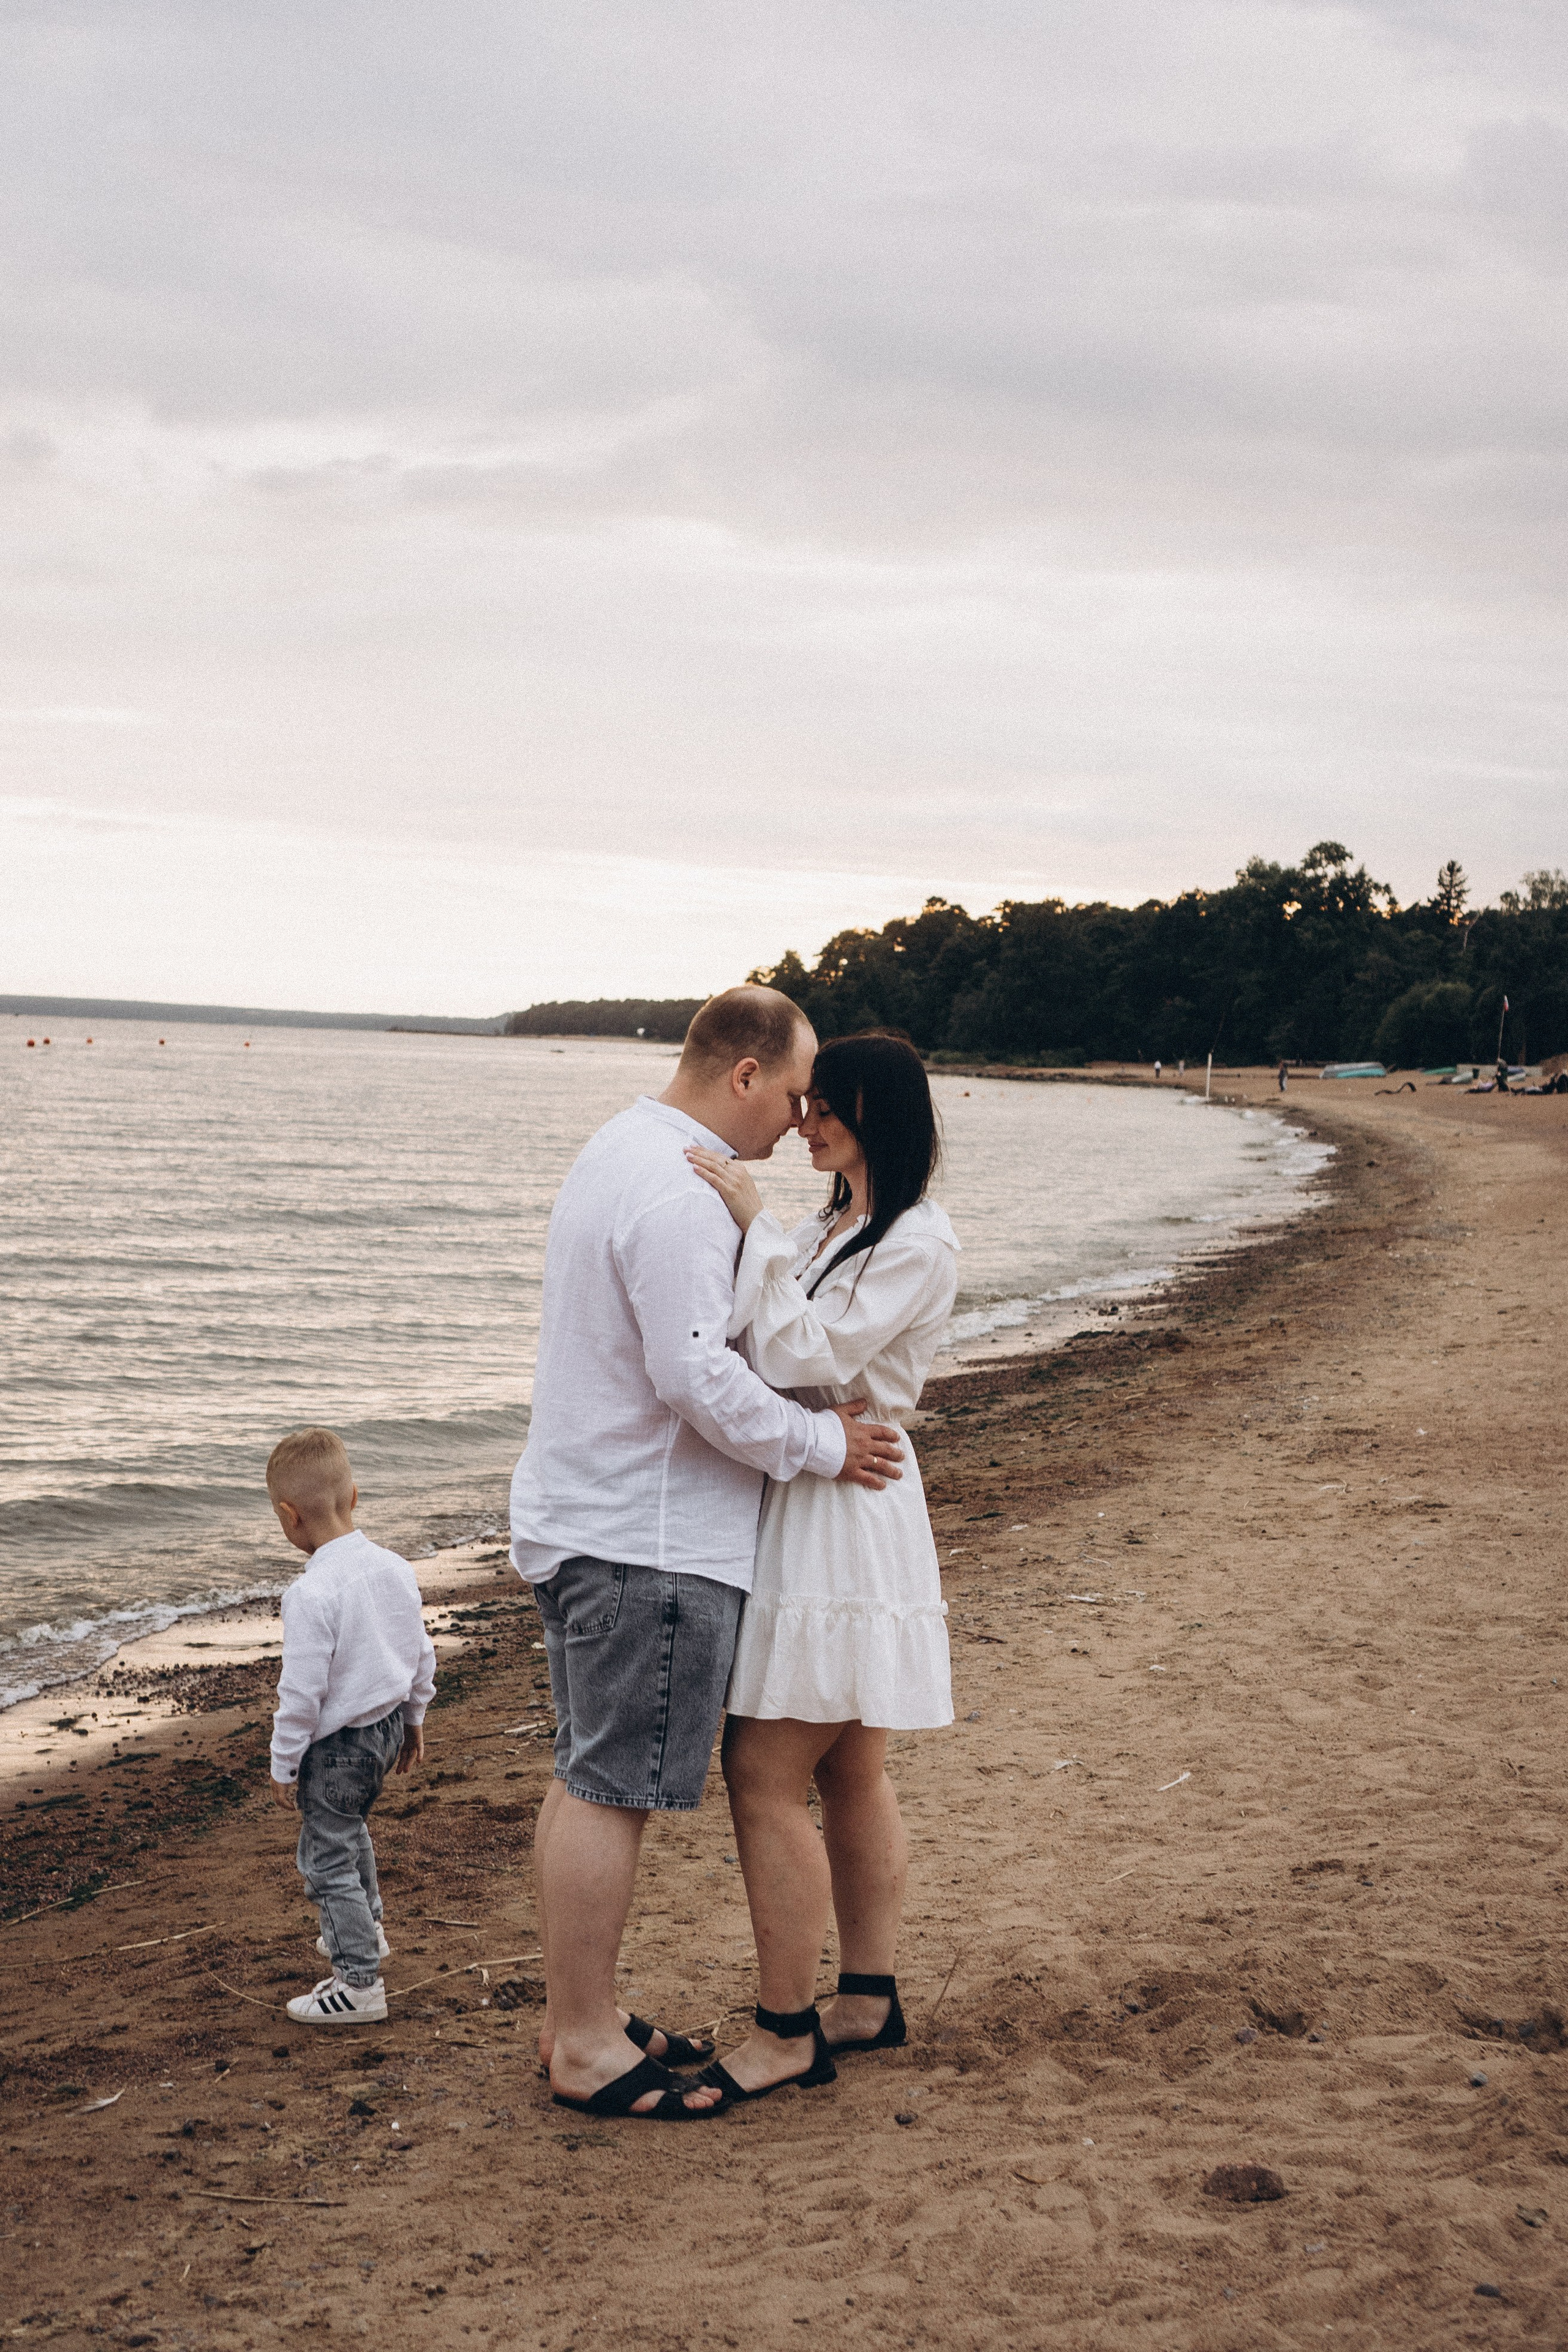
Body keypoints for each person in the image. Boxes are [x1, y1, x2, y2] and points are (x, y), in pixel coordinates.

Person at [510, 986, 906, 2120]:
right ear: (744, 1075)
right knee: (609, 1792)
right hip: (650, 1533)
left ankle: (575, 2014)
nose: (799, 1119)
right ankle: (587, 2040)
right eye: (793, 1094)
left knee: (584, 1777)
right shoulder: (684, 1189)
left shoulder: (618, 1148)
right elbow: (693, 1373)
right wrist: (823, 1445)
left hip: (585, 1514)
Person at [680, 1030, 958, 2109]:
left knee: (763, 1771)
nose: (805, 1124)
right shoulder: (833, 1224)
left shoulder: (916, 1239)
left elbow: (808, 1355)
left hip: (850, 1496)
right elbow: (767, 1344)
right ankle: (868, 1998)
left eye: (826, 1108)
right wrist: (763, 1245)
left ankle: (788, 2028)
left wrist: (754, 1225)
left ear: (873, 1112)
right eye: (805, 1106)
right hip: (827, 1480)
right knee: (847, 1770)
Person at [267, 1427, 435, 2024]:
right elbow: (421, 1653)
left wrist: (284, 1762)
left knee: (326, 1861)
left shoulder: (311, 1593)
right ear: (354, 1496)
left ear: (289, 1517)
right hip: (385, 1730)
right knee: (349, 1828)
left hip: (338, 1748)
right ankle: (369, 1929)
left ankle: (358, 1983)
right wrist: (414, 1719)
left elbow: (301, 1692)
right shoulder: (393, 1568)